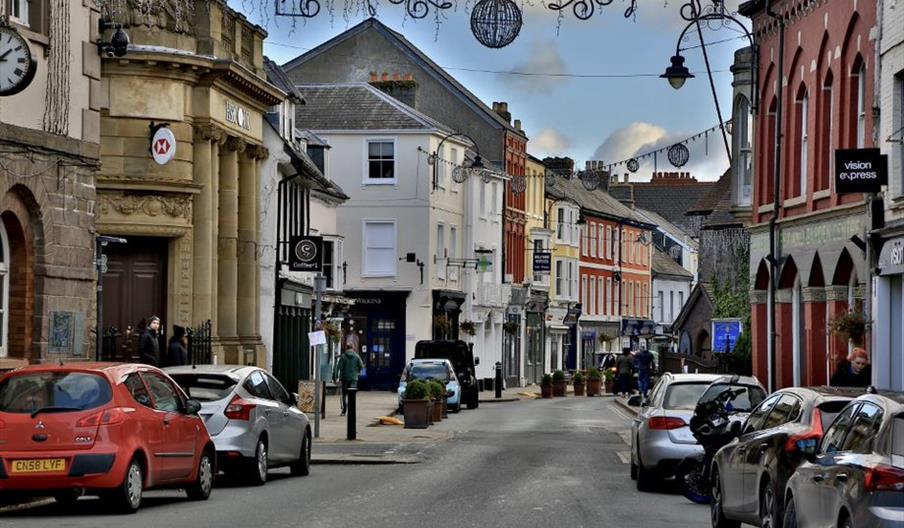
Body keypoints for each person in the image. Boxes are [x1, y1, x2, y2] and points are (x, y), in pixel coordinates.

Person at [333, 346, 365, 415]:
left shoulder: (343, 357)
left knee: (344, 395)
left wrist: (335, 377)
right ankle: (351, 411)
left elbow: (338, 367)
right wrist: (357, 372)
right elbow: (362, 366)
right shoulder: (357, 356)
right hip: (354, 378)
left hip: (344, 378)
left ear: (346, 349)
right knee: (352, 395)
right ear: (352, 349)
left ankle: (344, 410)